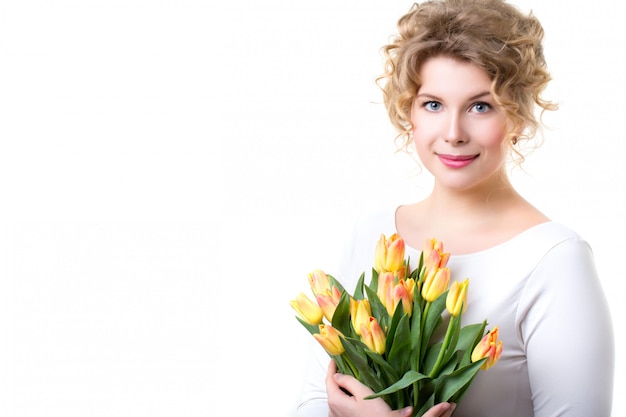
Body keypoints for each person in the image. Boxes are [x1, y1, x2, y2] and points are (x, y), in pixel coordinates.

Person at [295, 0, 615, 416]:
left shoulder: (555, 258)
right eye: (433, 104)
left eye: (480, 106)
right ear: (408, 109)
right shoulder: (374, 233)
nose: (453, 133)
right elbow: (314, 401)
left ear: (516, 114)